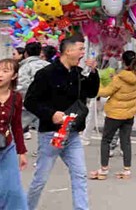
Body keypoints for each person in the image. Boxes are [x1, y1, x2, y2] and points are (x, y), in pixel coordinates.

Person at [25, 35, 99, 210]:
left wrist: (94, 73)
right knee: (40, 179)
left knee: (80, 175)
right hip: (51, 135)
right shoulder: (46, 74)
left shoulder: (78, 73)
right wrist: (51, 115)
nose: (83, 53)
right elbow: (30, 101)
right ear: (68, 50)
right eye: (80, 49)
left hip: (72, 135)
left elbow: (91, 92)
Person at [89, 50, 136, 181]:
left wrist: (98, 83)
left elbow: (105, 92)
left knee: (106, 140)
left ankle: (103, 170)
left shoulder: (119, 78)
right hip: (129, 113)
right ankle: (127, 170)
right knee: (126, 141)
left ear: (123, 61)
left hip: (115, 113)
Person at [0, 58, 28, 209]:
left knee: (13, 189)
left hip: (6, 148)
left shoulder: (16, 97)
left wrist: (22, 151)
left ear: (13, 76)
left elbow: (17, 125)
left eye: (5, 71)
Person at [16, 42, 49, 140]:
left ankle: (9, 151)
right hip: (46, 104)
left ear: (25, 53)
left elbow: (22, 86)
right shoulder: (48, 65)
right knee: (44, 132)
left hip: (29, 104)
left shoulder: (25, 67)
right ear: (39, 53)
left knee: (16, 128)